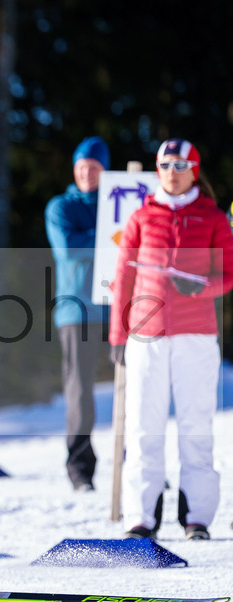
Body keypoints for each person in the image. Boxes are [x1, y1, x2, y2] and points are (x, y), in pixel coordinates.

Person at [109, 138, 233, 541]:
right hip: (147, 336)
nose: (172, 172)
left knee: (196, 426)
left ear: (194, 170)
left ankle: (197, 517)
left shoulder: (211, 216)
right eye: (165, 164)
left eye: (181, 165)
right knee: (144, 428)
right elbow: (123, 278)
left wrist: (202, 289)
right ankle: (139, 519)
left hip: (197, 336)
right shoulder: (142, 217)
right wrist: (117, 332)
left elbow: (228, 273)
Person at [45, 137, 111, 492]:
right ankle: (80, 470)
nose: (87, 173)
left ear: (104, 170)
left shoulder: (118, 204)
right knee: (80, 393)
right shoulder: (61, 207)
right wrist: (113, 236)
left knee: (139, 387)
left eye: (94, 167)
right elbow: (69, 249)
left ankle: (137, 464)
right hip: (76, 310)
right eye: (81, 167)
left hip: (118, 307)